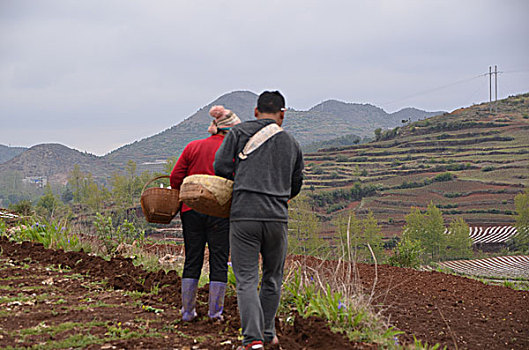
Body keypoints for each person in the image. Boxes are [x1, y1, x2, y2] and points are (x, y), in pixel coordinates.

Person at [214, 91, 304, 349]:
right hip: (277, 218)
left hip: (244, 216)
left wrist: (243, 178)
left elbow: (220, 166)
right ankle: (267, 333)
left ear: (256, 111)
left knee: (246, 279)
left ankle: (253, 340)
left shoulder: (238, 133)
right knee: (273, 278)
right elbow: (296, 184)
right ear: (282, 114)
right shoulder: (292, 142)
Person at [170, 105, 241, 322]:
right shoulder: (235, 153)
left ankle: (188, 312)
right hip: (220, 213)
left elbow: (175, 178)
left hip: (191, 211)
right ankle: (215, 313)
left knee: (193, 258)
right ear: (229, 132)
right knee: (219, 261)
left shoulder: (193, 147)